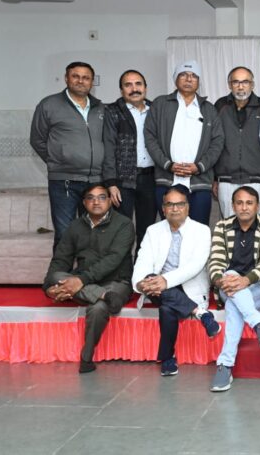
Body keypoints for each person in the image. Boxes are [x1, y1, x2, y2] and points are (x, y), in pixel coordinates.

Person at [43, 183, 134, 373]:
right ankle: (102, 295)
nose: (96, 202)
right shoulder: (75, 226)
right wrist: (48, 288)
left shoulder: (124, 224)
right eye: (91, 198)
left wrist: (81, 281)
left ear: (110, 201)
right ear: (84, 203)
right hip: (88, 284)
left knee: (99, 308)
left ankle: (86, 356)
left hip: (117, 281)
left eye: (102, 197)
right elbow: (60, 260)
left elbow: (114, 259)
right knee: (56, 276)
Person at [132, 184, 220, 377]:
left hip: (187, 287)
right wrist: (141, 283)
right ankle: (199, 313)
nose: (174, 209)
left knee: (167, 308)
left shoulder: (202, 230)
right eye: (169, 204)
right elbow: (142, 262)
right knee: (150, 278)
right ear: (163, 208)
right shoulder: (153, 230)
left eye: (179, 204)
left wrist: (165, 280)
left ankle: (167, 358)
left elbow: (196, 265)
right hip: (156, 286)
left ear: (188, 207)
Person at [208, 186, 260, 392]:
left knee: (234, 306)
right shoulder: (222, 227)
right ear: (232, 206)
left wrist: (246, 280)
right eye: (239, 203)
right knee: (231, 277)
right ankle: (259, 326)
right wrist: (222, 281)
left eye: (249, 203)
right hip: (227, 285)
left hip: (259, 286)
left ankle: (225, 365)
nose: (244, 207)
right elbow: (215, 262)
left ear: (258, 206)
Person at [30, 61, 106, 248]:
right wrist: (58, 160)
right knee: (65, 234)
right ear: (66, 78)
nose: (81, 81)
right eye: (75, 76)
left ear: (92, 82)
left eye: (86, 78)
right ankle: (62, 268)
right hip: (64, 181)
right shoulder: (49, 105)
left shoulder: (100, 108)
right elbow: (37, 140)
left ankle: (87, 268)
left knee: (93, 233)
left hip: (95, 181)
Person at [144, 60, 224, 225]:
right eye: (184, 75)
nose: (189, 79)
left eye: (194, 76)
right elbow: (150, 137)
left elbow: (218, 142)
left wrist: (199, 166)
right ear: (175, 79)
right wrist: (168, 165)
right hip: (167, 179)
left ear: (199, 81)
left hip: (199, 182)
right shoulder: (160, 104)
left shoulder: (208, 109)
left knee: (198, 230)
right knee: (169, 230)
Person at [102, 69, 156, 253]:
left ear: (145, 87)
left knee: (147, 230)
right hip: (122, 182)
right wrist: (111, 183)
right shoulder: (112, 112)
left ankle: (142, 268)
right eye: (128, 85)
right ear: (121, 90)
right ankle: (122, 269)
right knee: (121, 231)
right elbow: (108, 149)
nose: (134, 89)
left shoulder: (155, 110)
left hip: (151, 179)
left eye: (138, 84)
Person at [214, 66, 260, 217]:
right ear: (229, 85)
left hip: (257, 179)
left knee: (255, 226)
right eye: (236, 82)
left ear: (252, 85)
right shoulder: (220, 106)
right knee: (229, 226)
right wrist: (213, 178)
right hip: (226, 179)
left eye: (245, 82)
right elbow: (213, 143)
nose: (240, 86)